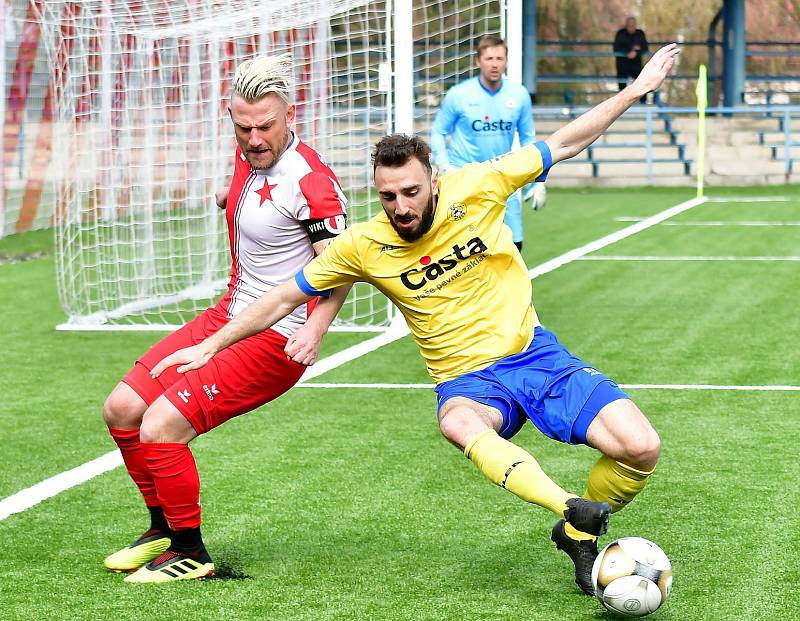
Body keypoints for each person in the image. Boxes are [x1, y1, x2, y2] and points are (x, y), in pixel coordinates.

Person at [151, 44, 680, 595]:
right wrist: (212, 344)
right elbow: (282, 296)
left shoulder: (479, 186)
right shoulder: (364, 244)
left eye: (410, 191)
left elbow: (567, 140)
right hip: (468, 383)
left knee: (640, 447)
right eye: (387, 197)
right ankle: (569, 504)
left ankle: (575, 533)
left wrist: (636, 89)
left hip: (535, 354)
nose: (400, 206)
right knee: (456, 423)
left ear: (433, 178)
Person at [101, 53, 351, 583]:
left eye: (266, 126)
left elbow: (340, 269)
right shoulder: (248, 157)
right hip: (228, 313)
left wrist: (315, 328)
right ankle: (162, 527)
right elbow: (253, 199)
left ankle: (190, 551)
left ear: (290, 115)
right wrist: (228, 196)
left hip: (277, 336)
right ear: (231, 117)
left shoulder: (315, 184)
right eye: (243, 127)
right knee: (122, 408)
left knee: (161, 426)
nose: (255, 138)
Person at [430, 34, 545, 252]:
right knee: (460, 250)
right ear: (478, 61)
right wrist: (444, 165)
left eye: (499, 59)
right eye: (489, 58)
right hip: (463, 181)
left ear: (506, 62)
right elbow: (438, 132)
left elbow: (528, 139)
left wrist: (538, 181)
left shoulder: (519, 95)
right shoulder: (459, 95)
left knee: (513, 245)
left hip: (502, 180)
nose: (495, 64)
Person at [613, 17, 649, 103]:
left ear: (636, 25)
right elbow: (616, 48)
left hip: (636, 65)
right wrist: (628, 52)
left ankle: (643, 103)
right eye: (629, 25)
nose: (631, 27)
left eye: (633, 25)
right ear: (626, 25)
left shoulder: (640, 34)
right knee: (622, 85)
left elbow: (645, 48)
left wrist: (636, 51)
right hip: (622, 65)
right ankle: (621, 103)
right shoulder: (620, 34)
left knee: (642, 82)